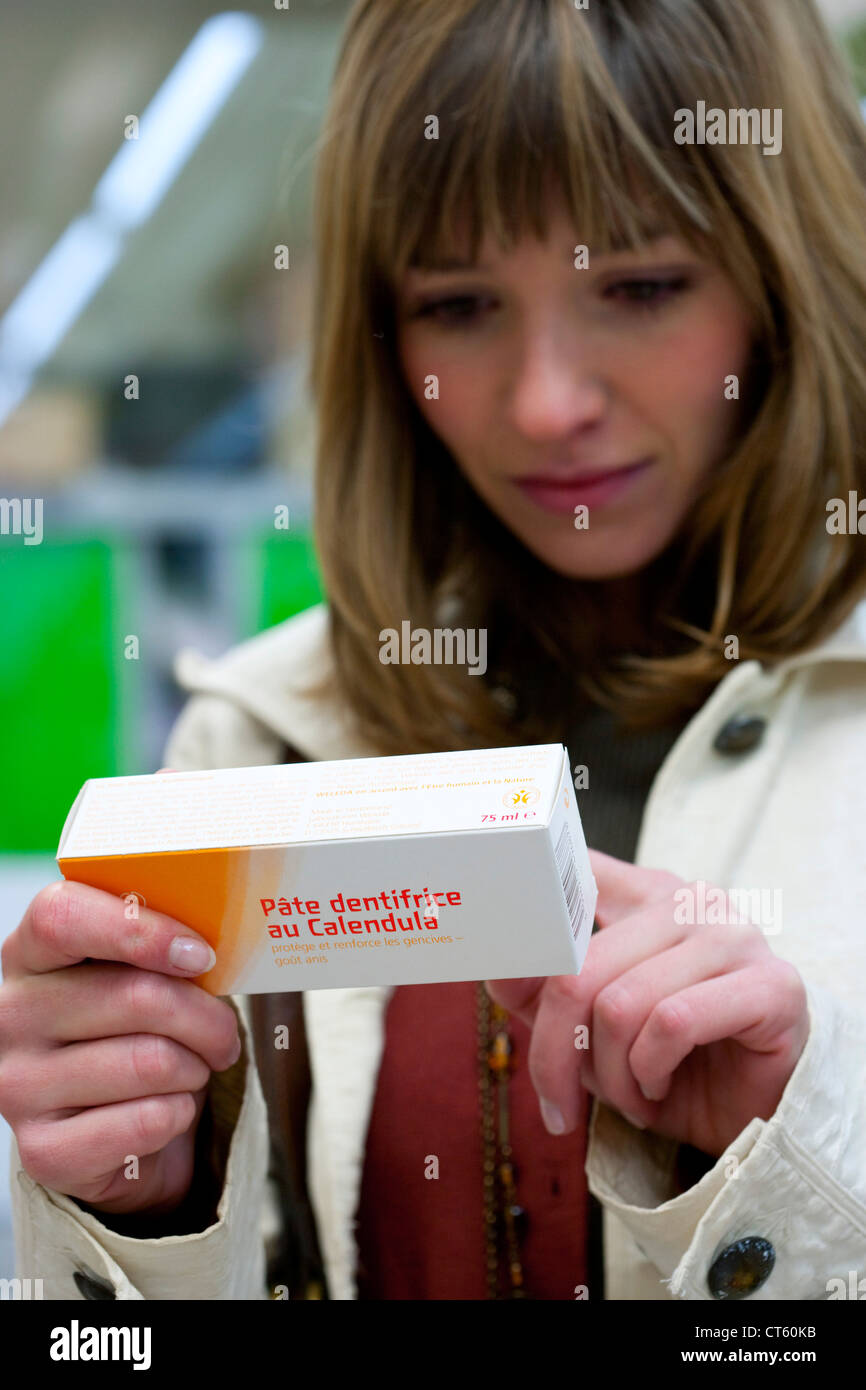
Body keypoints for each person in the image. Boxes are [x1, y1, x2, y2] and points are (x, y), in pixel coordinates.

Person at [4, 0, 866, 1301]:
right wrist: (135, 1206)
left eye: (638, 286)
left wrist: (791, 1157)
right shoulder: (253, 740)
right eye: (458, 304)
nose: (544, 401)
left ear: (783, 275)